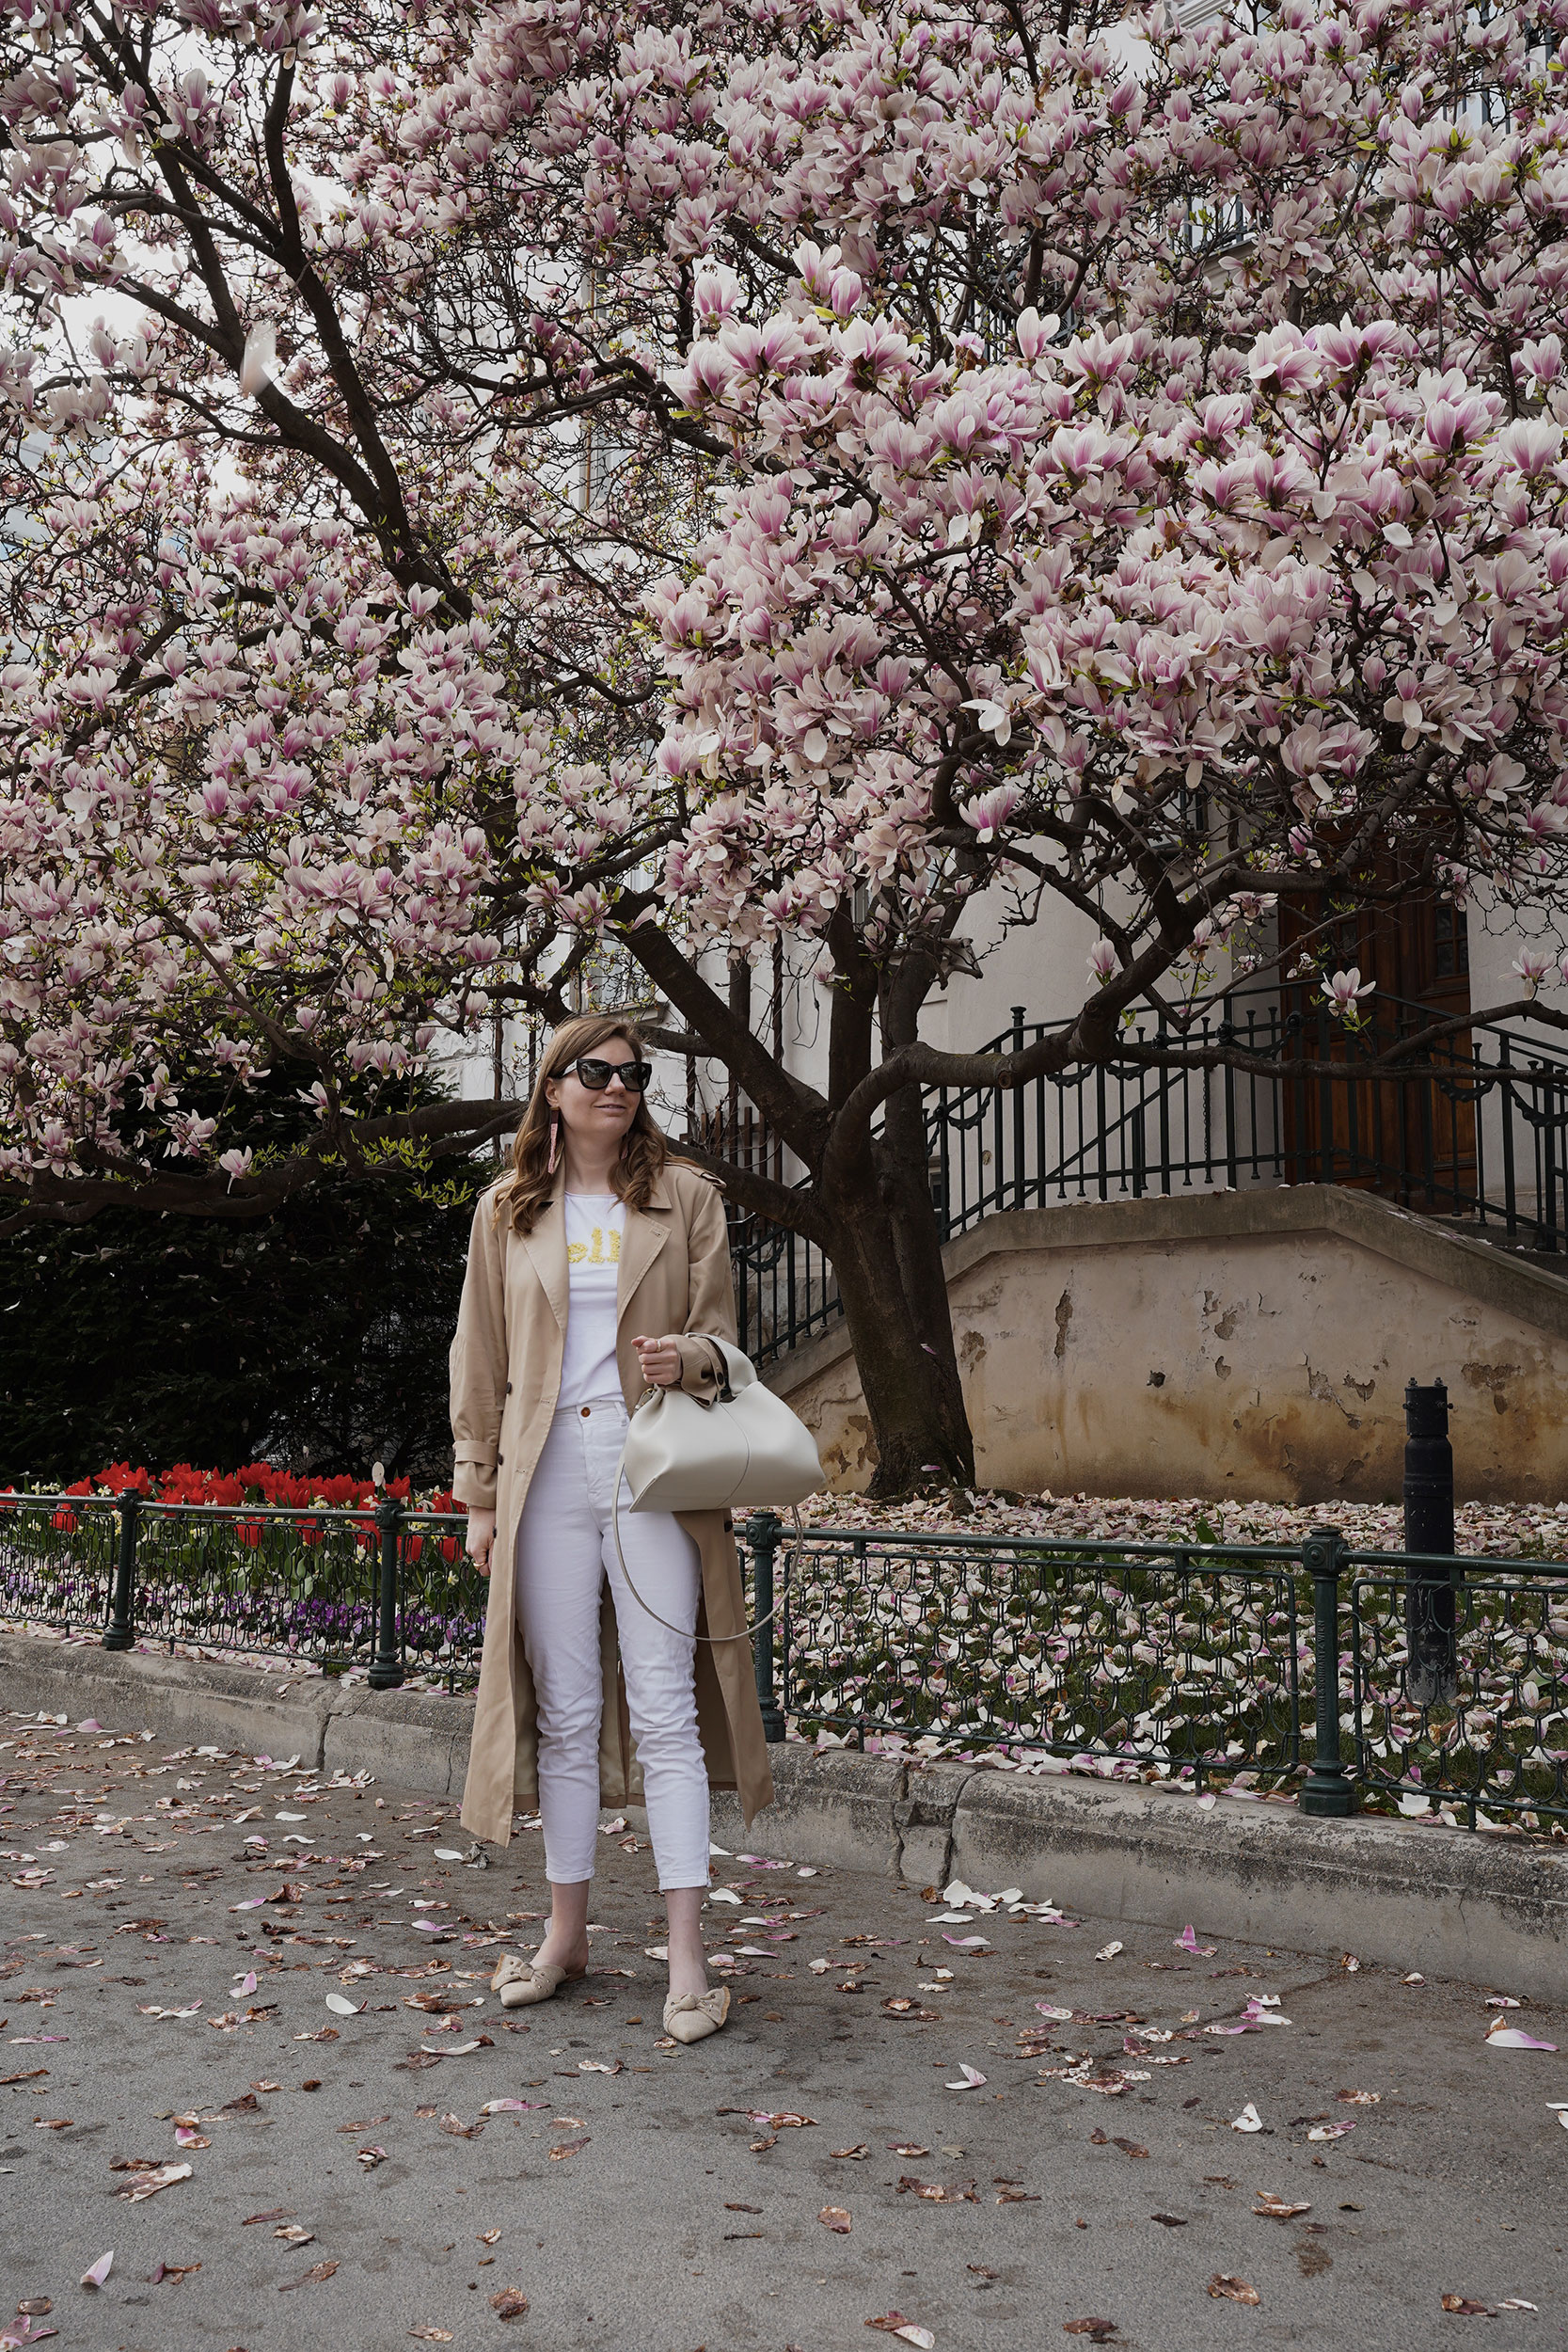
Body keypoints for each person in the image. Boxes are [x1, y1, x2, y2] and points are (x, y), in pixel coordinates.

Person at [450, 1011, 774, 2044]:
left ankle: (686, 1958)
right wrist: (479, 1497)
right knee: (568, 1710)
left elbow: (731, 1341)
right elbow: (480, 1355)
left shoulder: (685, 1198)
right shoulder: (506, 1210)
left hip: (651, 1466)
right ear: (553, 1086)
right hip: (542, 1472)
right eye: (593, 1071)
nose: (615, 1086)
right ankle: (565, 1936)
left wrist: (695, 1359)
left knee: (667, 1704)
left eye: (631, 1073)